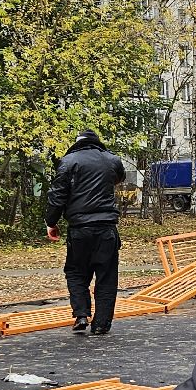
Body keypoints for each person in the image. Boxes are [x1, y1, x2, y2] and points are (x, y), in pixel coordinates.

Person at [45, 130, 123, 336]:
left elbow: (57, 196)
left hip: (79, 229)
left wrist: (51, 222)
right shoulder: (112, 160)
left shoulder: (68, 162)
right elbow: (118, 178)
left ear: (77, 143)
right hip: (106, 229)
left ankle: (81, 314)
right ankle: (101, 324)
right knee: (106, 277)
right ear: (97, 142)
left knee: (75, 272)